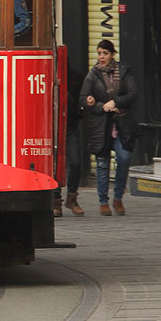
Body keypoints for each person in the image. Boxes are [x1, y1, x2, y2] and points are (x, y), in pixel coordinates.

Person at [80, 40, 138, 216]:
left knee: (124, 157)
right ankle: (103, 201)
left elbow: (133, 94)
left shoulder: (124, 71)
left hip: (121, 123)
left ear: (112, 54)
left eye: (105, 53)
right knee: (102, 163)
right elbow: (83, 98)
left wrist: (116, 102)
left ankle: (118, 197)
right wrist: (97, 104)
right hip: (101, 125)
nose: (101, 57)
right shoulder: (93, 74)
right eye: (99, 53)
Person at [59, 57, 85, 217]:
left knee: (75, 162)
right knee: (54, 166)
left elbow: (82, 98)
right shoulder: (48, 75)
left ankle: (72, 197)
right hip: (53, 127)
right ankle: (56, 200)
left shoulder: (76, 77)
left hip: (71, 126)